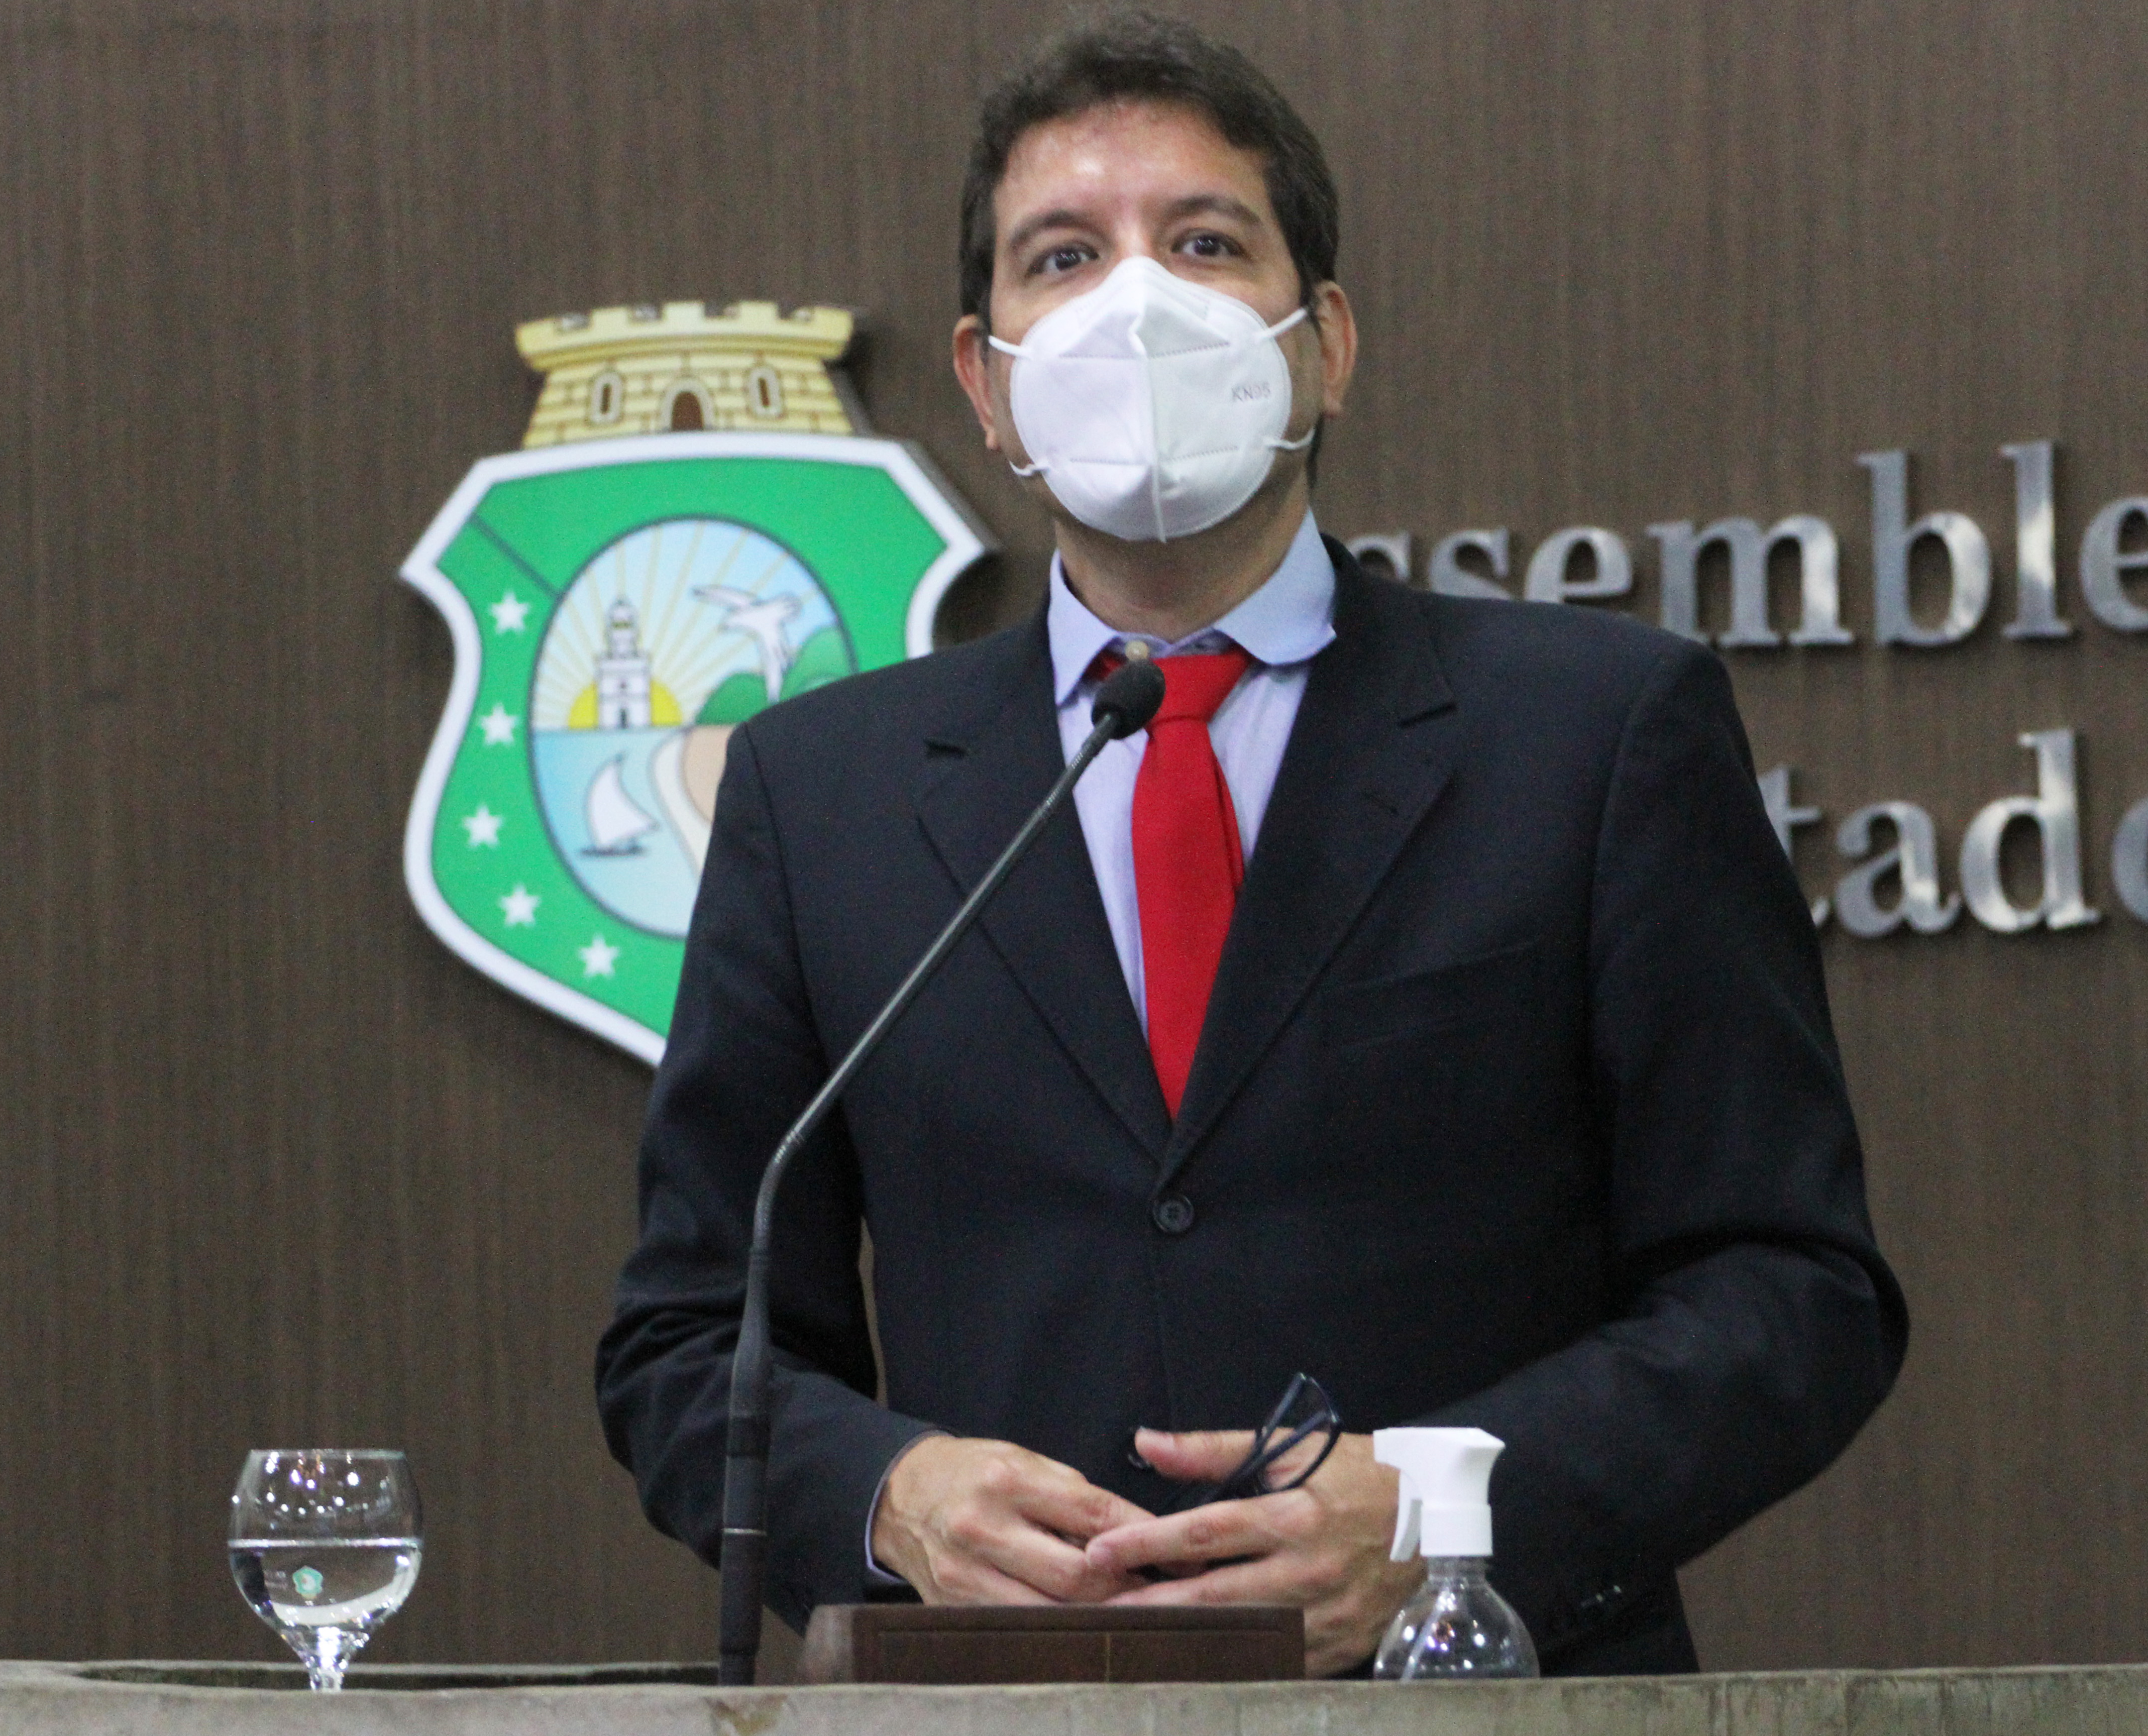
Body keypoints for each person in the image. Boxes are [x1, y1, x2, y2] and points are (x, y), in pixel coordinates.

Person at [597, 10, 1905, 1678]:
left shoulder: (1599, 733)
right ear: (986, 384)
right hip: (1011, 1713)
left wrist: (1446, 1513)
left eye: (1206, 242)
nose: (1137, 302)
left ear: (1325, 343)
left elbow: (1792, 1289)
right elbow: (688, 1340)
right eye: (1064, 256)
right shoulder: (820, 793)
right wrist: (889, 1497)